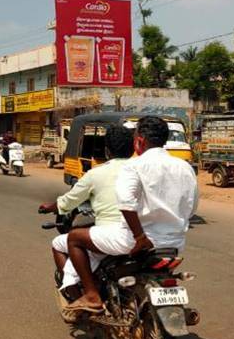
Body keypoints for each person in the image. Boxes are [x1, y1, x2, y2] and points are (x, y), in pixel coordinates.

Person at [65, 116, 199, 314]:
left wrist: (139, 237)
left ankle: (92, 295)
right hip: (174, 244)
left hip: (136, 242)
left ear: (140, 141)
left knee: (74, 238)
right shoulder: (185, 167)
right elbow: (192, 206)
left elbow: (126, 204)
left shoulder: (135, 165)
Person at [39, 125, 135, 298]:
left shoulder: (96, 174)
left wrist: (50, 207)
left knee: (61, 242)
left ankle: (84, 295)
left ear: (106, 151)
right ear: (133, 148)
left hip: (114, 235)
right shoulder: (142, 170)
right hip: (144, 234)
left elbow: (69, 201)